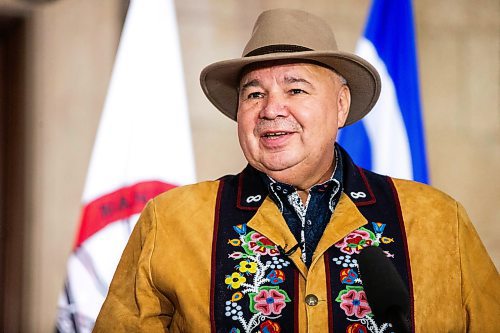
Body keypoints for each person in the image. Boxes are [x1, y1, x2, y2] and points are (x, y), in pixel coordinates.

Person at [93, 8, 499, 333]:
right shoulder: (171, 221)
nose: (271, 109)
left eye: (295, 89)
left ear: (341, 105)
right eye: (254, 93)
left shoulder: (438, 221)